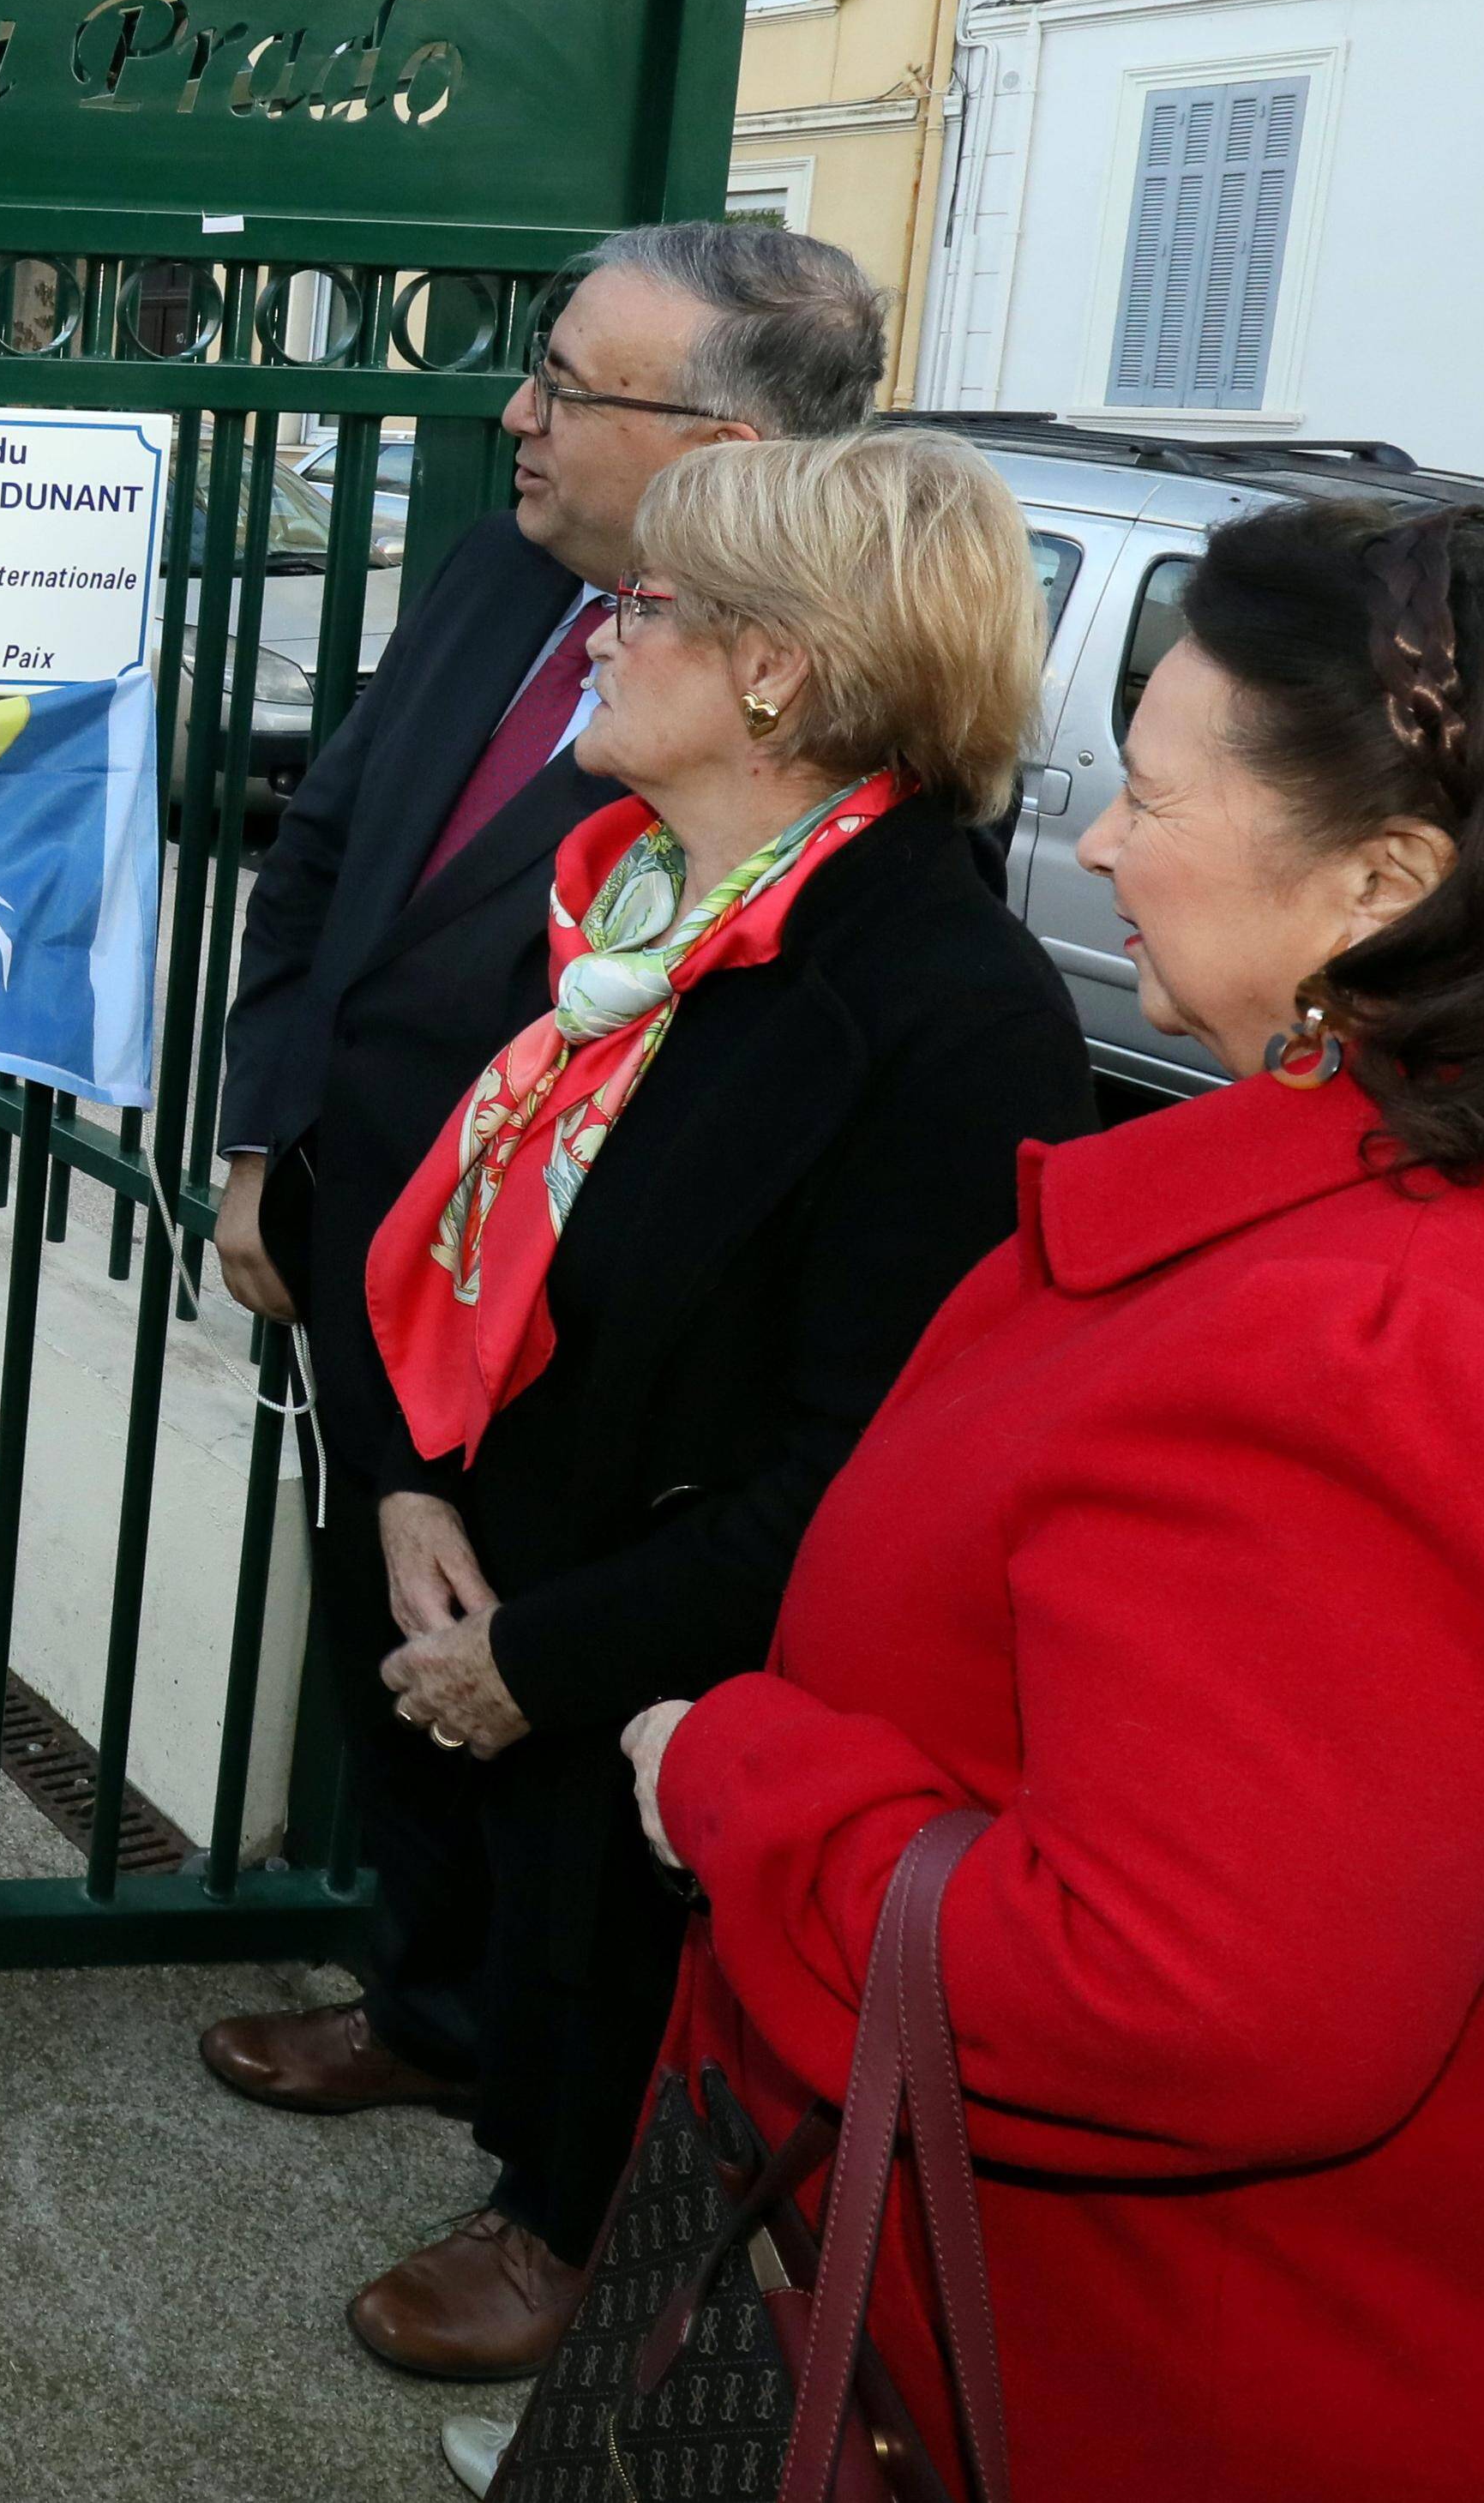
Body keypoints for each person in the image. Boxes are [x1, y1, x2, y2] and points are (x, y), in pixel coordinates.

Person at [628, 500, 1484, 2500]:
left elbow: (1156, 2005)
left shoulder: (1388, 1351)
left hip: (1191, 2390)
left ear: (1383, 882)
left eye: (1144, 793)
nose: (1101, 845)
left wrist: (738, 1776)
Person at [309, 428, 1090, 2391]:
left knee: (634, 1978)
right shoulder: (637, 907)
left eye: (645, 605)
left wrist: (548, 1659)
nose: (599, 632)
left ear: (775, 670)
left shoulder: (938, 1002)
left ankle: (583, 2236)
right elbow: (473, 1242)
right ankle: (518, 2145)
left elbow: (862, 1472)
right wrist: (411, 1485)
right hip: (534, 1579)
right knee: (524, 1921)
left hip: (694, 1670)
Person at [197, 224, 884, 2140]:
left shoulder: (800, 704)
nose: (517, 412)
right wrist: (264, 1144)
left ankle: (559, 2154)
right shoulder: (511, 567)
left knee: (552, 1709)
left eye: (568, 384)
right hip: (359, 1251)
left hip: (571, 1334)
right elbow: (323, 845)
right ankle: (420, 2001)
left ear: (722, 441)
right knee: (380, 1640)